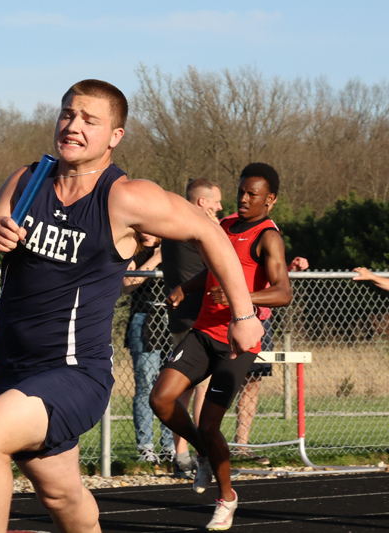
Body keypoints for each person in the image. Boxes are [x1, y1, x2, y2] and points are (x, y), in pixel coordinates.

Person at [0, 79, 262, 533]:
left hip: (76, 372)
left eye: (89, 120)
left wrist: (244, 315)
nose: (73, 126)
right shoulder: (27, 180)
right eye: (67, 114)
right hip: (15, 369)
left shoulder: (124, 196)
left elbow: (209, 231)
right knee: (61, 494)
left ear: (115, 136)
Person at [150, 162, 292, 530]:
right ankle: (202, 452)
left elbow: (283, 292)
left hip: (238, 340)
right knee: (161, 399)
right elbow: (212, 270)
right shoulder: (224, 226)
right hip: (202, 331)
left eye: (253, 195)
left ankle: (226, 497)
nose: (243, 199)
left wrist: (237, 297)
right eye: (241, 191)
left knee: (209, 423)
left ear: (270, 200)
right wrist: (187, 287)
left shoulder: (268, 237)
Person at [160, 177, 223, 478]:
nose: (221, 207)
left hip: (183, 315)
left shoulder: (172, 224)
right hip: (197, 316)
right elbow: (225, 255)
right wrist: (218, 228)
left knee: (182, 386)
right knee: (200, 387)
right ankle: (202, 452)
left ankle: (183, 455)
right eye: (216, 202)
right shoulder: (195, 228)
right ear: (201, 203)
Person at [232, 256, 308, 467]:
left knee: (252, 384)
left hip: (263, 322)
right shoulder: (238, 249)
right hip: (236, 318)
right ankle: (210, 444)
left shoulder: (271, 254)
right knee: (224, 381)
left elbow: (277, 282)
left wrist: (291, 267)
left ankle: (241, 445)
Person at [124, 232, 175, 464]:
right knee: (146, 384)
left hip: (172, 320)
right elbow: (127, 284)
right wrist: (155, 259)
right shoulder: (131, 249)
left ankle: (169, 446)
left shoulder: (174, 249)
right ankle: (146, 447)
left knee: (170, 385)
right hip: (144, 319)